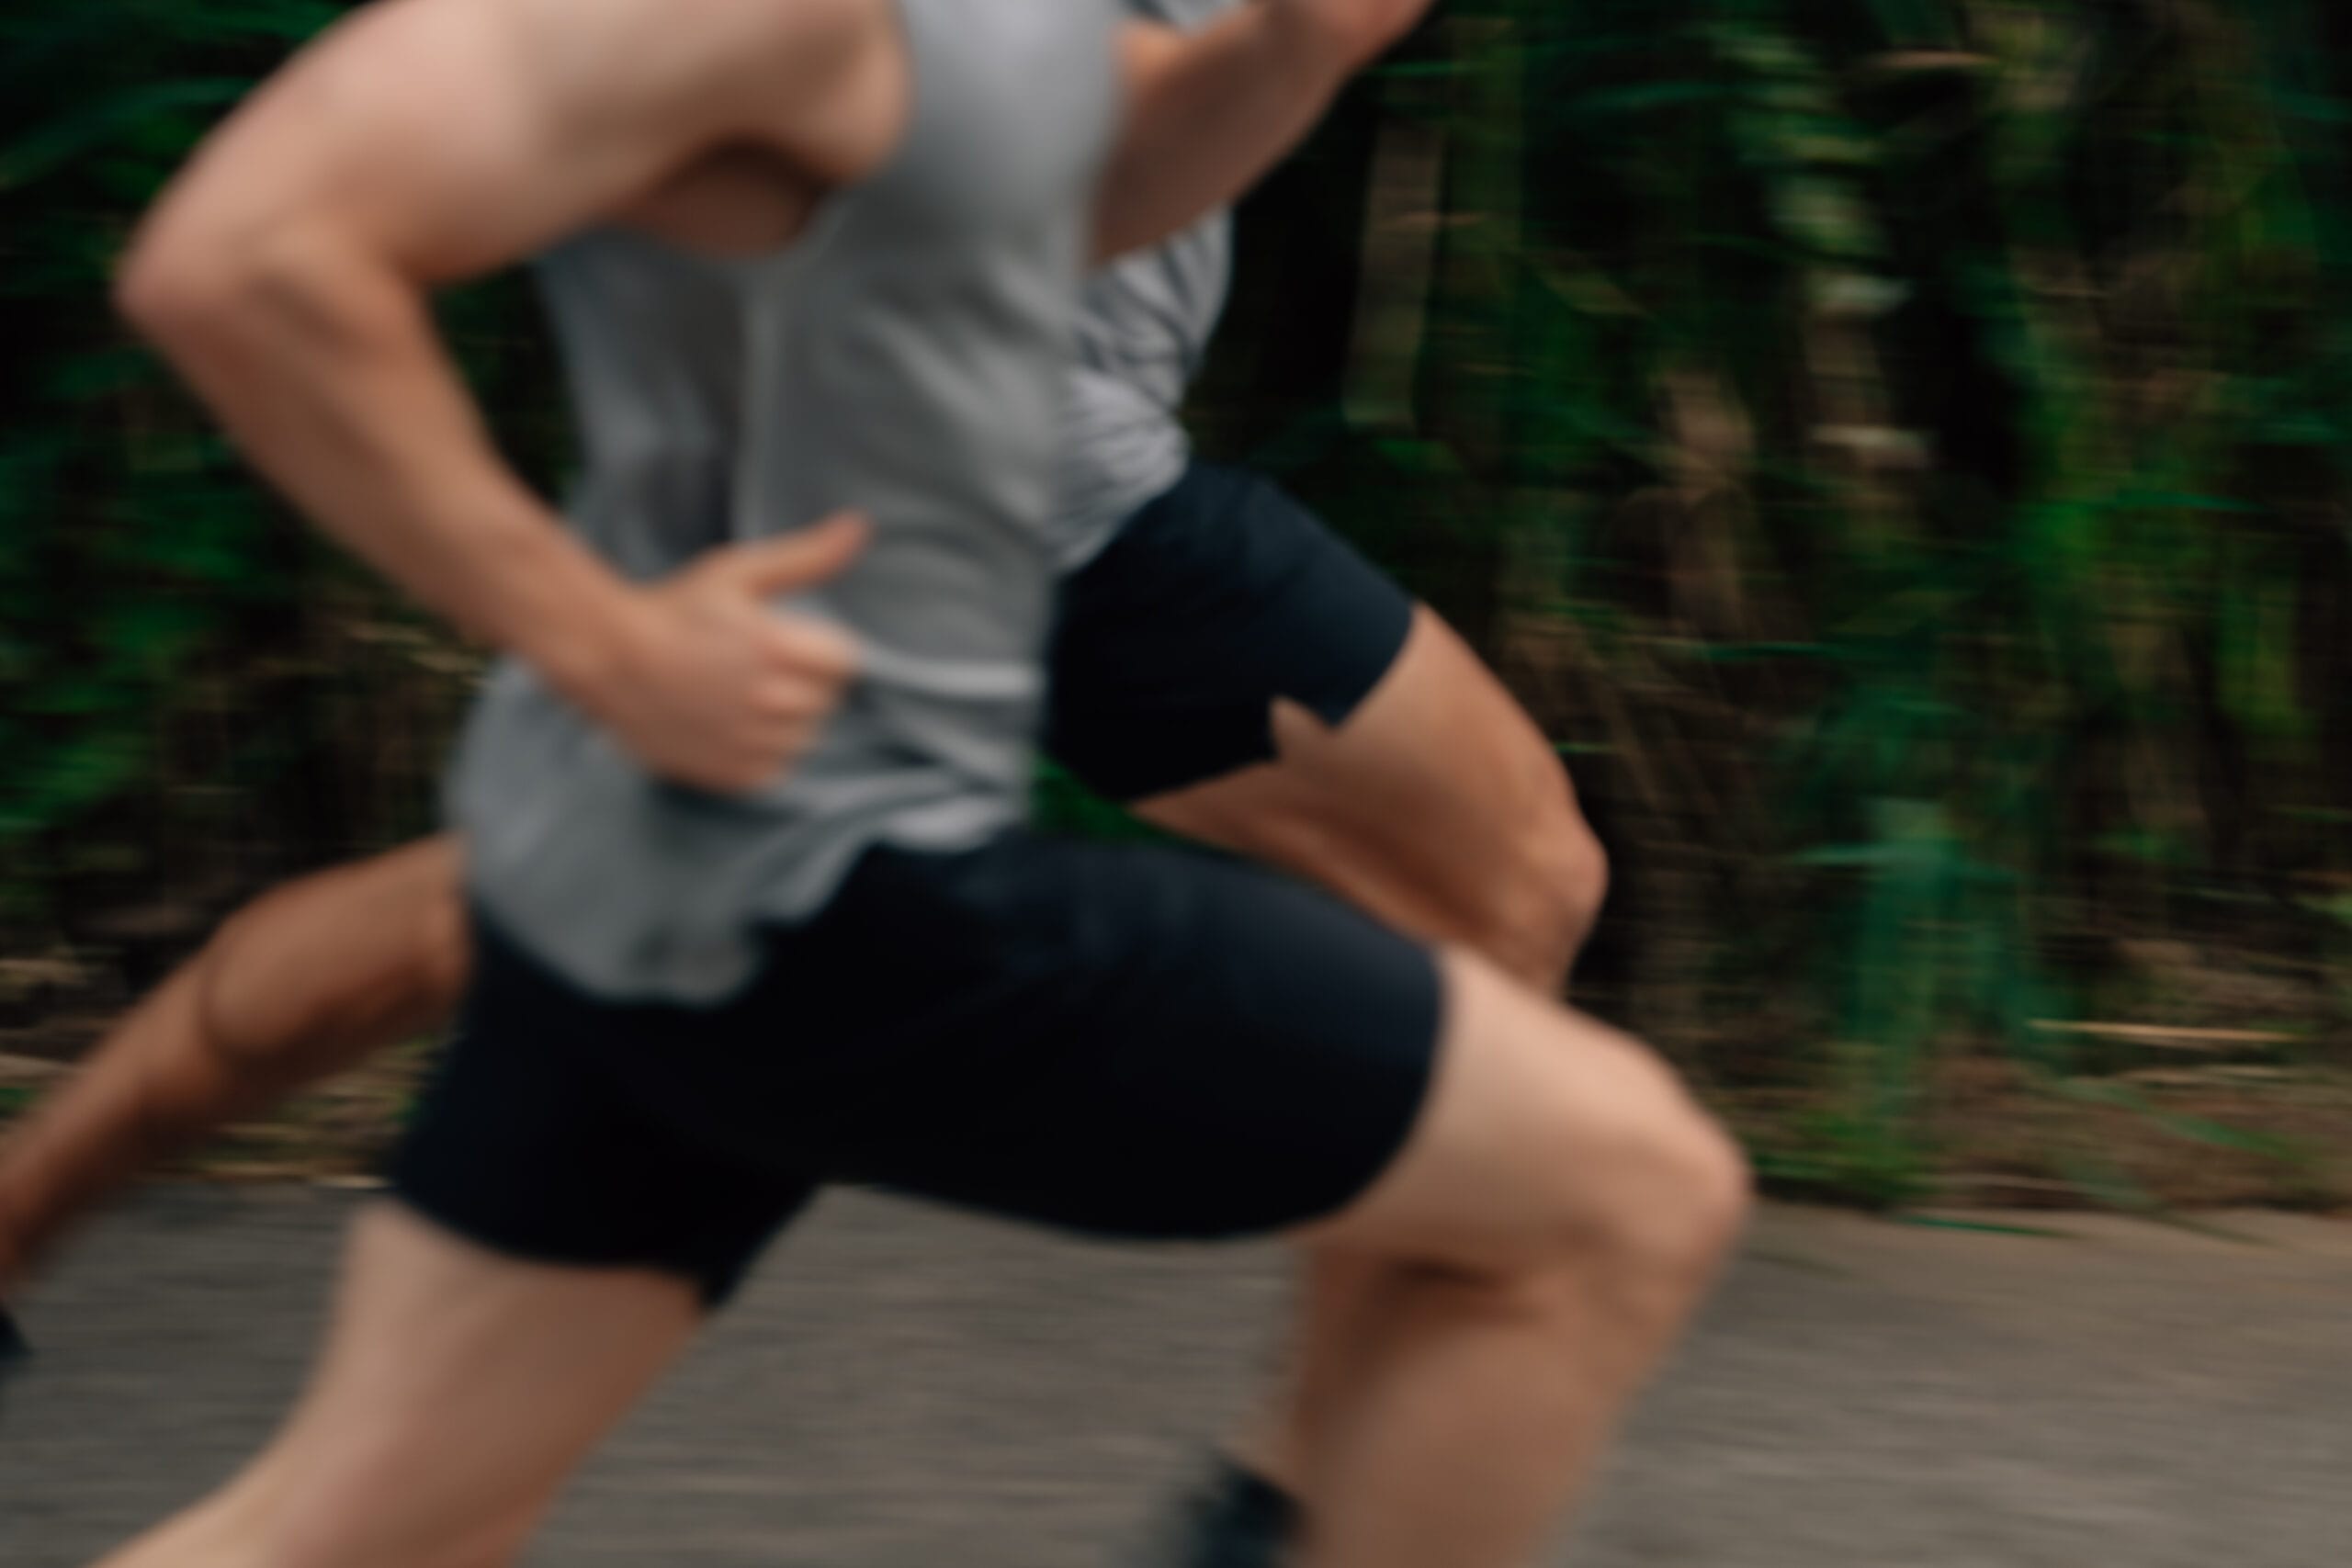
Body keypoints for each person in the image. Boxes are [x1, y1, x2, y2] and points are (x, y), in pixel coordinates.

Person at [36, 0, 1749, 1563]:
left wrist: (1293, 48)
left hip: (647, 884)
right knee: (1624, 1198)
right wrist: (605, 642)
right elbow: (241, 255)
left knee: (351, 1534)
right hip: (834, 891)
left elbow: (1075, 182)